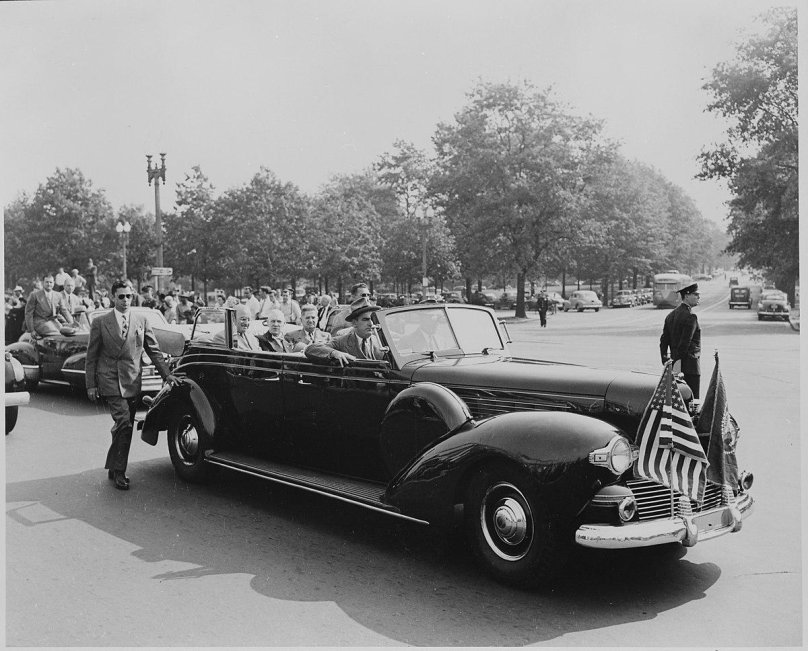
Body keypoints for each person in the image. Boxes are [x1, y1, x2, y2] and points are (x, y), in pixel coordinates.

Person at [85, 280, 176, 490]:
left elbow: (153, 350)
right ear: (112, 298)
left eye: (128, 296)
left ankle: (113, 462)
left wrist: (167, 375)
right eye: (121, 296)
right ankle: (119, 472)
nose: (125, 300)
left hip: (132, 380)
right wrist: (91, 384)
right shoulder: (100, 322)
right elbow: (92, 356)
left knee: (122, 427)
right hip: (110, 380)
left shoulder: (141, 319)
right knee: (125, 423)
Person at [305, 297, 387, 365]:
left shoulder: (380, 342)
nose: (371, 323)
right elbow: (311, 349)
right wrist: (335, 353)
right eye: (366, 319)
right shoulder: (342, 341)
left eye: (372, 319)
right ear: (354, 323)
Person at [659, 282, 702, 398]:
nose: (699, 297)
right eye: (696, 294)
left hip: (674, 365)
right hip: (690, 367)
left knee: (676, 400)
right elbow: (685, 342)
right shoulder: (691, 316)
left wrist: (666, 359)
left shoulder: (671, 315)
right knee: (692, 401)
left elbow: (663, 341)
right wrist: (679, 362)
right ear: (686, 296)